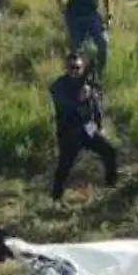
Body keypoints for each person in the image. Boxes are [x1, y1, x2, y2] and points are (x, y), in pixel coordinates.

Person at [49, 52, 118, 201]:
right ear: (66, 68)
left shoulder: (88, 84)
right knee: (65, 166)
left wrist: (98, 125)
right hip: (69, 132)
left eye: (77, 68)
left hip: (87, 129)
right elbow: (63, 107)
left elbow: (97, 104)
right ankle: (55, 198)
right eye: (71, 68)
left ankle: (112, 187)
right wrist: (78, 99)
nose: (74, 71)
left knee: (110, 151)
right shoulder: (59, 85)